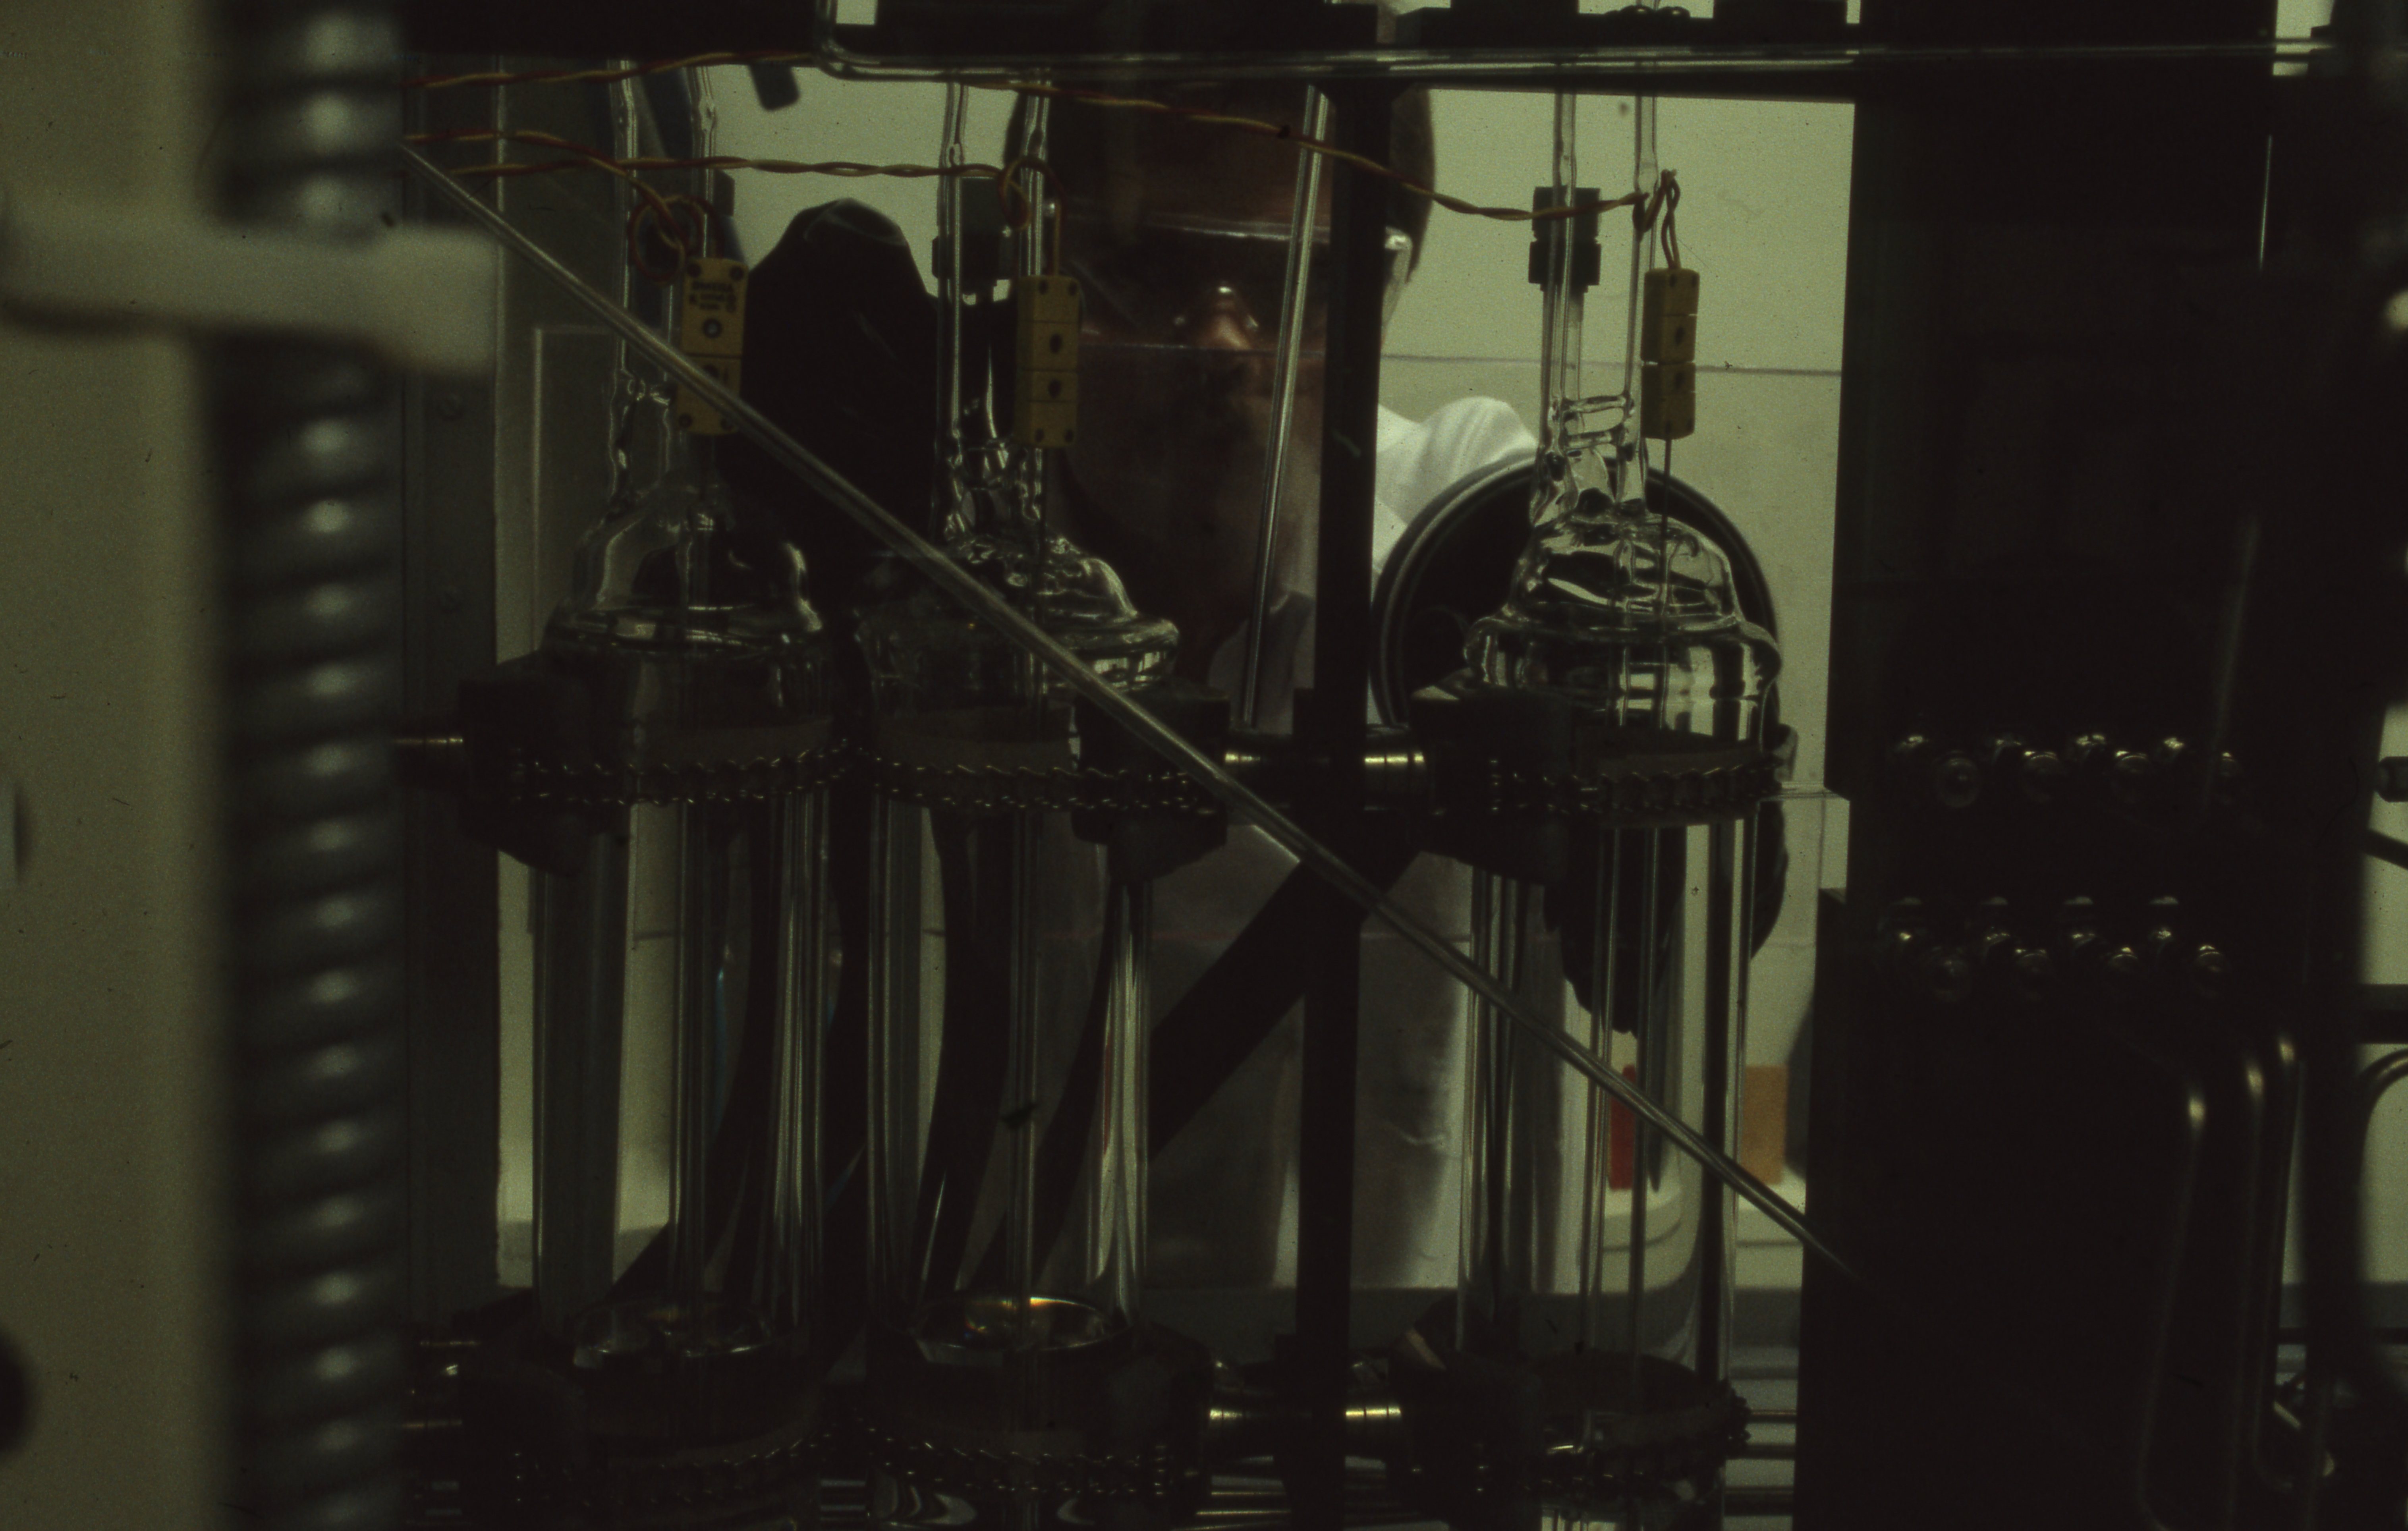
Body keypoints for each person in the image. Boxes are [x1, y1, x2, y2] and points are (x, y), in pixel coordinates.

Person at [726, 75, 1535, 1303]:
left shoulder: (1445, 553)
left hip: (1339, 1386)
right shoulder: (921, 578)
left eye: (1295, 281)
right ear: (1031, 270)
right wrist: (802, 564)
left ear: (1380, 293)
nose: (1221, 344)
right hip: (978, 1373)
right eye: (1143, 270)